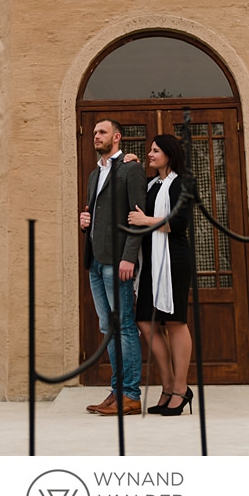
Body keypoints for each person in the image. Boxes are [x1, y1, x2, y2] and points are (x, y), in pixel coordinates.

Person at [78, 118, 148, 416]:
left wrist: (129, 256)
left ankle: (131, 395)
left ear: (116, 137)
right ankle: (116, 391)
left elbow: (138, 216)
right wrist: (85, 224)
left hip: (118, 261)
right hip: (95, 260)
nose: (96, 136)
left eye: (102, 132)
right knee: (108, 328)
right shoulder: (96, 174)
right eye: (94, 132)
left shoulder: (131, 169)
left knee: (124, 327)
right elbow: (96, 213)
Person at [128, 133, 195, 416]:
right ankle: (167, 385)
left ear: (169, 153)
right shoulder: (151, 184)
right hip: (151, 261)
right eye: (149, 151)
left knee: (175, 321)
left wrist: (147, 221)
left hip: (174, 258)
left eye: (156, 150)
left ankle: (180, 388)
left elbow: (180, 222)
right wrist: (126, 163)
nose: (150, 154)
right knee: (146, 321)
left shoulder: (181, 182)